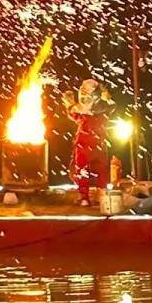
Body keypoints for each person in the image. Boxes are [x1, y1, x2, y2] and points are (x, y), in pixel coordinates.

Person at [65, 78, 109, 207]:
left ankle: (84, 197)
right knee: (101, 171)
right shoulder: (104, 107)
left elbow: (75, 113)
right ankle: (103, 197)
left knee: (82, 170)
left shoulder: (85, 109)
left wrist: (69, 103)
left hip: (84, 143)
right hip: (99, 142)